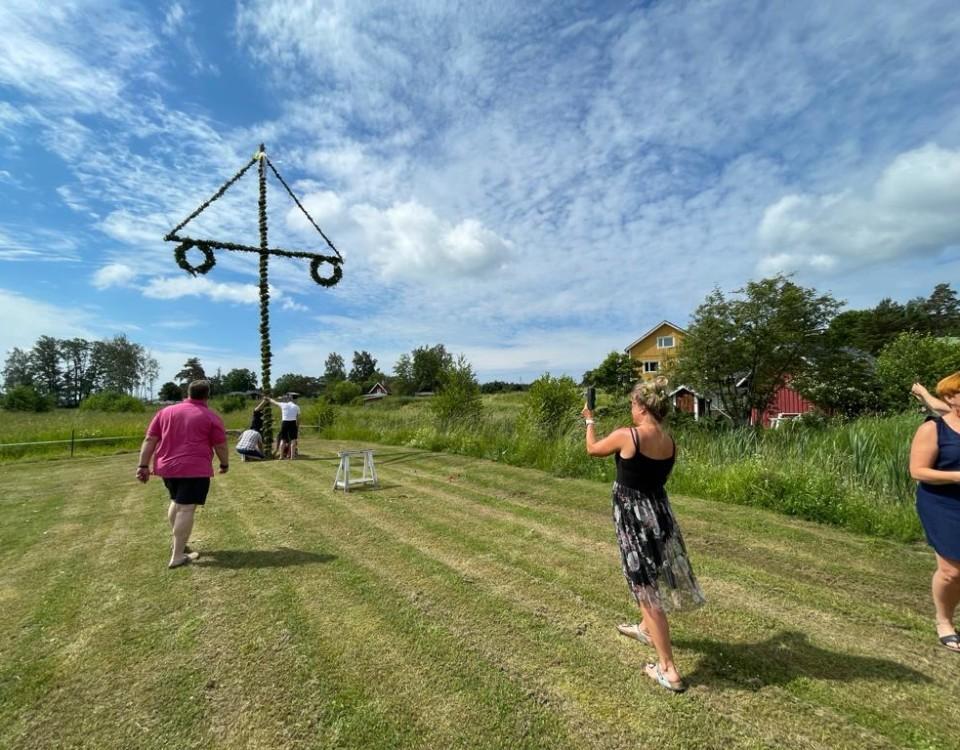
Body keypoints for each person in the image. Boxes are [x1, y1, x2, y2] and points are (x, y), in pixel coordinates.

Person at [583, 377, 705, 692]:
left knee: (645, 588)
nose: (631, 409)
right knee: (646, 581)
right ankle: (645, 629)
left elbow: (592, 449)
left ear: (641, 406)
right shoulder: (669, 441)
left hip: (634, 519)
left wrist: (590, 420)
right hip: (659, 516)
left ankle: (668, 669)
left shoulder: (628, 436)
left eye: (632, 404)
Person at [136, 379, 229, 569]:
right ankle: (177, 555)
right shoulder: (210, 416)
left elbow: (150, 439)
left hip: (167, 468)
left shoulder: (165, 412)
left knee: (177, 503)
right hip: (194, 468)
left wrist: (143, 465)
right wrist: (224, 463)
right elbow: (220, 444)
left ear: (188, 393)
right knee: (186, 509)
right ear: (207, 395)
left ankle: (181, 544)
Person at [909, 373, 960, 653]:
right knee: (952, 571)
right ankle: (944, 621)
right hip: (944, 504)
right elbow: (917, 471)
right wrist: (957, 477)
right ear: (950, 398)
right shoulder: (933, 429)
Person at [269, 393, 300, 459]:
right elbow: (298, 419)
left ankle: (281, 456)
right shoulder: (297, 407)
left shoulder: (283, 404)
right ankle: (292, 456)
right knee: (293, 440)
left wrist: (268, 399)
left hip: (284, 423)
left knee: (283, 440)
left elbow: (274, 402)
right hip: (293, 423)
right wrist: (297, 427)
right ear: (295, 399)